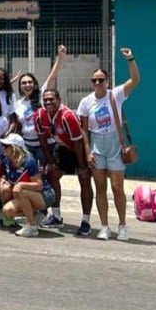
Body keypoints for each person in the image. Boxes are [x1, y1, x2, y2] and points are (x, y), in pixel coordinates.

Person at [78, 47, 140, 241]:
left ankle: (122, 226)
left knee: (117, 187)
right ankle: (104, 226)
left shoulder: (116, 95)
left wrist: (130, 58)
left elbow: (135, 80)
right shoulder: (86, 102)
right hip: (97, 145)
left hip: (114, 143)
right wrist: (88, 152)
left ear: (107, 81)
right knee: (100, 187)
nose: (97, 83)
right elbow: (84, 130)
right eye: (94, 80)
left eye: (101, 80)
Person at [36, 88, 94, 235]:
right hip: (63, 148)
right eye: (46, 99)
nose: (48, 102)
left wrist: (82, 166)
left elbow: (79, 143)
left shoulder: (67, 116)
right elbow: (43, 140)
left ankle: (86, 221)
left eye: (51, 99)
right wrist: (50, 162)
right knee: (52, 174)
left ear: (59, 100)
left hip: (79, 149)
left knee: (84, 179)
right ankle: (56, 216)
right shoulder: (40, 116)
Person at [14, 45, 67, 166]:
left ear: (35, 84)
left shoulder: (42, 95)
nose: (27, 85)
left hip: (45, 145)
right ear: (20, 87)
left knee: (48, 174)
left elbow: (53, 76)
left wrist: (60, 57)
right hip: (27, 146)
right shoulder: (18, 104)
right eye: (24, 83)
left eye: (30, 82)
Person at [0, 133, 54, 237]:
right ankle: (35, 216)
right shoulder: (7, 161)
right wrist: (3, 180)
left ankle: (31, 227)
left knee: (21, 191)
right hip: (30, 195)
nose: (4, 148)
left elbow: (39, 185)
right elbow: (7, 176)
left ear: (15, 148)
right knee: (7, 210)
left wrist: (22, 184)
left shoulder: (28, 161)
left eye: (6, 146)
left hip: (45, 195)